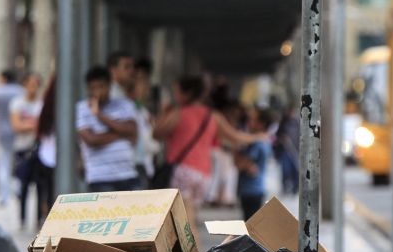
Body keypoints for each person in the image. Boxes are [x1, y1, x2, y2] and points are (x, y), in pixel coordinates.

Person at [152, 75, 264, 226]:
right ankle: (191, 248)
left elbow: (156, 133)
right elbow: (235, 136)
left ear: (187, 93)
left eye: (177, 92)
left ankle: (193, 249)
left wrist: (164, 113)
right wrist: (257, 136)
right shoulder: (212, 116)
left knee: (185, 223)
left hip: (183, 171)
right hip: (203, 175)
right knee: (190, 217)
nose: (175, 96)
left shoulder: (178, 113)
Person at [76, 66, 139, 192]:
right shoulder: (82, 108)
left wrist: (100, 115)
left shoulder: (125, 104)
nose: (98, 92)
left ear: (110, 85)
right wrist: (121, 133)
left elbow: (132, 130)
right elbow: (91, 140)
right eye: (93, 88)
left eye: (101, 87)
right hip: (100, 177)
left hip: (127, 174)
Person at [10, 73, 43, 228]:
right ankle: (22, 218)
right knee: (23, 185)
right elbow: (16, 125)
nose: (32, 88)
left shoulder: (41, 104)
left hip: (38, 149)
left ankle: (38, 218)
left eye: (35, 84)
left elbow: (43, 127)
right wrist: (34, 125)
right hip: (22, 149)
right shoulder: (17, 103)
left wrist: (28, 125)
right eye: (30, 84)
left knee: (40, 186)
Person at [0, 69, 23, 207]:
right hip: (19, 133)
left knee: (3, 165)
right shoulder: (21, 91)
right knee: (19, 163)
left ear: (3, 78)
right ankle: (19, 191)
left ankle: (4, 196)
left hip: (1, 133)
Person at [235, 108, 274, 220]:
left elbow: (241, 164)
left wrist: (236, 152)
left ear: (261, 124)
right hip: (253, 189)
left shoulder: (258, 143)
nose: (248, 123)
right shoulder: (261, 141)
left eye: (252, 120)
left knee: (250, 228)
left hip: (252, 190)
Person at [129, 58, 160, 188]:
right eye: (140, 80)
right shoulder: (128, 109)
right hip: (133, 165)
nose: (146, 86)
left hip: (142, 165)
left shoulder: (142, 111)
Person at [36, 76, 56, 224]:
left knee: (47, 191)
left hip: (46, 155)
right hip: (50, 156)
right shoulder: (49, 107)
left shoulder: (45, 106)